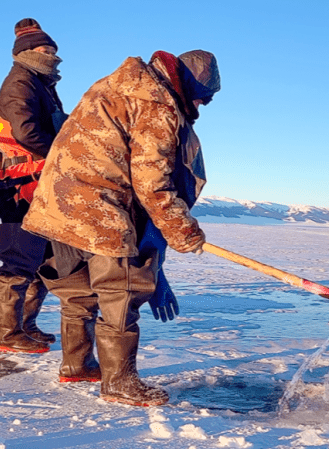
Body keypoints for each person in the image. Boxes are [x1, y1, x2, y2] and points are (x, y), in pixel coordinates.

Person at [22, 50, 220, 406]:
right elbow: (152, 182)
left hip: (58, 203)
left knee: (78, 290)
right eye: (204, 96)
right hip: (100, 207)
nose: (202, 105)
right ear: (189, 83)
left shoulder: (116, 85)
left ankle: (77, 365)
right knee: (121, 291)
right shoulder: (157, 102)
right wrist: (183, 231)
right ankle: (119, 382)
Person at [0, 18, 67, 353]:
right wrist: (63, 157)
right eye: (44, 49)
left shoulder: (40, 83)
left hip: (39, 186)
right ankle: (8, 335)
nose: (51, 55)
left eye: (53, 49)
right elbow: (26, 133)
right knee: (19, 259)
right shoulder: (20, 83)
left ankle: (27, 325)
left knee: (43, 257)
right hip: (20, 186)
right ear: (26, 53)